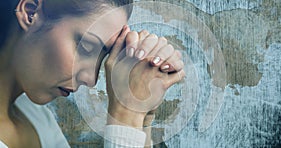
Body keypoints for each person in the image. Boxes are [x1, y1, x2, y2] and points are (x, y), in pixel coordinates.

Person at [0, 0, 185, 147]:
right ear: (30, 13)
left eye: (102, 58)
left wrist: (141, 116)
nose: (91, 79)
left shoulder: (39, 120)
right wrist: (125, 114)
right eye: (86, 48)